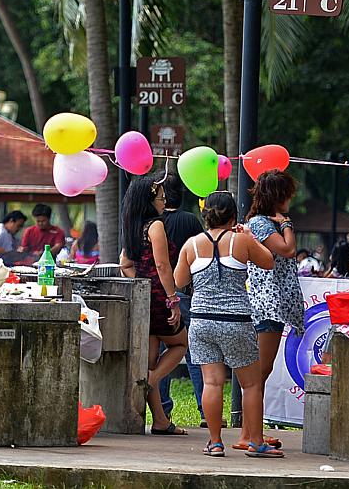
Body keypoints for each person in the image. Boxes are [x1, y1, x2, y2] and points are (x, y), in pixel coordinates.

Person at [174, 191, 280, 458]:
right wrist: (249, 236)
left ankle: (215, 442)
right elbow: (268, 261)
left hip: (201, 321)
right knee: (251, 385)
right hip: (236, 322)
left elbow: (179, 280)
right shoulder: (241, 240)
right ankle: (256, 442)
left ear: (205, 214)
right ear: (233, 216)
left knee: (212, 383)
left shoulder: (192, 244)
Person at [118, 172, 189, 435]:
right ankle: (150, 381)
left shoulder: (133, 225)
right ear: (150, 200)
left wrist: (142, 283)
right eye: (160, 197)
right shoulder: (155, 226)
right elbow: (162, 265)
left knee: (149, 359)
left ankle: (160, 420)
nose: (164, 201)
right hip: (160, 297)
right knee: (181, 343)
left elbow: (124, 264)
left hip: (142, 297)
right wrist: (172, 298)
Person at [244, 170, 303, 393]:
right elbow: (288, 249)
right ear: (278, 196)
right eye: (287, 194)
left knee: (260, 373)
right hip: (267, 305)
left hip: (271, 304)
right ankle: (251, 429)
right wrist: (287, 223)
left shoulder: (263, 222)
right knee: (259, 373)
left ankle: (251, 428)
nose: (290, 199)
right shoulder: (262, 224)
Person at [156, 174, 204, 421]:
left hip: (158, 293)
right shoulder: (190, 221)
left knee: (162, 353)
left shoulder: (154, 222)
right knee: (194, 353)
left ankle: (162, 409)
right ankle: (205, 409)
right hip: (184, 292)